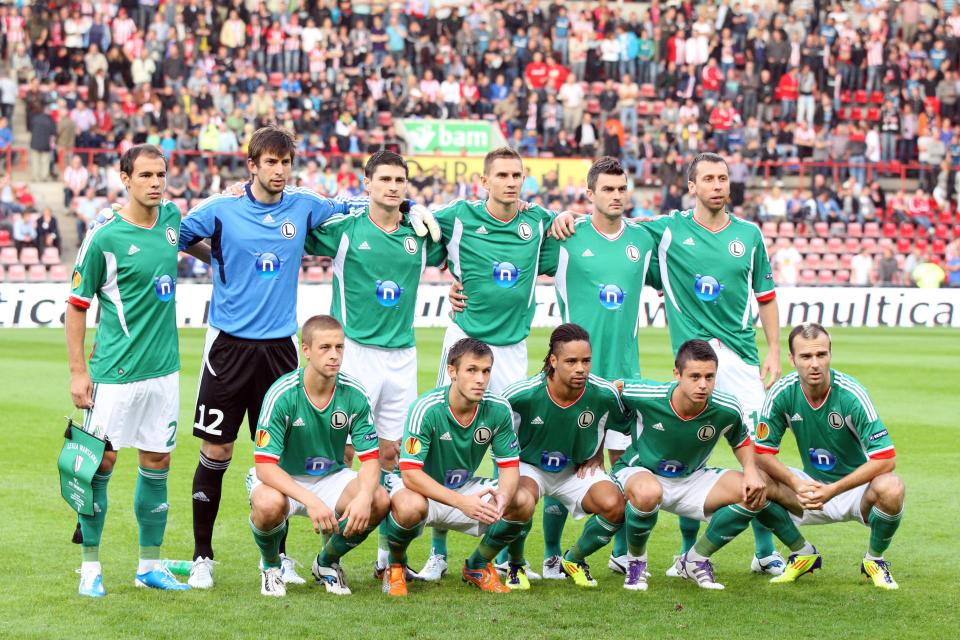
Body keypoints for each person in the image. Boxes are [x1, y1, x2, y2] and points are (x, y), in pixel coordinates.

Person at [177, 124, 436, 589]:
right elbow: (173, 234)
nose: (279, 171)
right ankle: (202, 556)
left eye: (285, 162)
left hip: (280, 346)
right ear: (252, 165)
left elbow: (363, 203)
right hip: (228, 345)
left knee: (287, 455)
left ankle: (277, 558)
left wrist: (413, 205)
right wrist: (216, 257)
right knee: (217, 449)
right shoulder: (220, 209)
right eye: (269, 163)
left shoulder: (305, 204)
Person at [552, 152, 785, 575]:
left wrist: (773, 350)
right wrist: (564, 215)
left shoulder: (748, 235)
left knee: (758, 456)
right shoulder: (663, 232)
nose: (717, 185)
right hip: (689, 355)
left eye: (723, 178)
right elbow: (609, 230)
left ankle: (765, 550)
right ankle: (582, 556)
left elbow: (766, 296)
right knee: (671, 452)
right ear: (691, 186)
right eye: (708, 178)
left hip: (741, 357)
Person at [420, 146, 559, 580]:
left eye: (517, 175)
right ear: (485, 181)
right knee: (444, 441)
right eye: (502, 175)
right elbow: (410, 226)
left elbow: (564, 243)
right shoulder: (458, 216)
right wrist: (415, 208)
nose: (511, 181)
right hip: (464, 341)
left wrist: (568, 219)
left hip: (513, 349)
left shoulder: (537, 223)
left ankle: (509, 555)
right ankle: (438, 551)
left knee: (510, 449)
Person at [304, 150, 445, 577]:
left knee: (390, 452)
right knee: (344, 450)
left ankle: (386, 559)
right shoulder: (346, 229)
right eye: (384, 179)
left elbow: (457, 253)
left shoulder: (419, 235)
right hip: (356, 352)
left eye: (400, 180)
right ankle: (330, 553)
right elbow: (297, 224)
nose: (393, 186)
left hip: (402, 354)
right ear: (367, 184)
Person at [65, 144, 190, 596]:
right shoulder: (104, 236)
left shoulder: (173, 220)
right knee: (100, 465)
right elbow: (77, 307)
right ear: (125, 178)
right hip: (114, 374)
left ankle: (149, 566)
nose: (156, 183)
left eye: (161, 174)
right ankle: (90, 569)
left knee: (157, 461)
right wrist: (79, 373)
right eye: (146, 176)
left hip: (164, 372)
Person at [530, 157, 656, 576]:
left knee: (623, 462)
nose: (616, 196)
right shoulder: (566, 237)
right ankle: (550, 554)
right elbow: (516, 251)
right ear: (590, 194)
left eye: (622, 189)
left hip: (625, 373)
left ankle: (622, 554)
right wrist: (458, 281)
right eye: (608, 189)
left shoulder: (643, 240)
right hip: (573, 375)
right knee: (562, 463)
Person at [614, 340, 818, 591]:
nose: (703, 384)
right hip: (641, 471)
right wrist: (592, 451)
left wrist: (752, 472)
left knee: (753, 490)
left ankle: (695, 560)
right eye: (695, 376)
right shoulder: (647, 394)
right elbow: (604, 393)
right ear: (677, 374)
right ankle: (636, 564)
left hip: (692, 477)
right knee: (648, 493)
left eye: (709, 377)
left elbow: (741, 440)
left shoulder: (726, 407)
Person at [248, 315, 391, 597]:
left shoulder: (354, 393)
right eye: (325, 348)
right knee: (266, 504)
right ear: (306, 350)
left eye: (339, 348)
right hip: (284, 478)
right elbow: (265, 466)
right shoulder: (282, 393)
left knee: (378, 499)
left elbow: (370, 458)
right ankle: (272, 566)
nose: (334, 356)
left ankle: (326, 563)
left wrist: (363, 497)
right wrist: (311, 501)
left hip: (331, 476)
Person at [380, 338, 534, 596]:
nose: (480, 379)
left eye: (486, 371)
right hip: (419, 489)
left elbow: (509, 465)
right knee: (408, 507)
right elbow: (410, 473)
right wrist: (462, 503)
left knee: (523, 500)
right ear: (452, 371)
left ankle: (478, 565)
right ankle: (395, 566)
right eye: (472, 370)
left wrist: (504, 499)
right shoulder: (426, 408)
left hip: (462, 487)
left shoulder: (498, 409)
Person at [755, 323, 904, 589]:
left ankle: (874, 560)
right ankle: (802, 553)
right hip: (810, 489)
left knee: (892, 487)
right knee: (754, 482)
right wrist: (796, 483)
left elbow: (886, 459)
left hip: (856, 490)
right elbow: (762, 453)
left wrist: (833, 490)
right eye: (806, 356)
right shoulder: (782, 393)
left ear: (830, 355)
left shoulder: (851, 394)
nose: (814, 364)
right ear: (792, 359)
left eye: (821, 355)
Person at [498, 324, 631, 589]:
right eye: (571, 361)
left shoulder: (603, 393)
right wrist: (509, 469)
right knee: (519, 501)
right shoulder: (522, 395)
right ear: (553, 361)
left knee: (615, 506)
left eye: (586, 361)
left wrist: (596, 454)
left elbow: (614, 422)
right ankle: (516, 565)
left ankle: (572, 560)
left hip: (574, 469)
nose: (580, 368)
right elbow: (496, 427)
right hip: (531, 466)